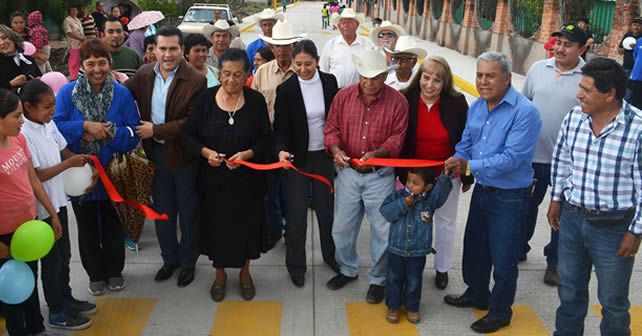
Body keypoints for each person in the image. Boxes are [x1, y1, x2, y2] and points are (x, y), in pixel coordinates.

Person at [443, 52, 541, 333]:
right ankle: (477, 293)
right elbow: (466, 142)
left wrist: (468, 165)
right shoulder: (477, 107)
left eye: (490, 75)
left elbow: (511, 158)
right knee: (475, 248)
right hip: (483, 191)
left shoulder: (525, 112)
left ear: (508, 78)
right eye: (479, 75)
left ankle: (500, 312)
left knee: (504, 258)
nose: (483, 81)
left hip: (510, 197)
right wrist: (456, 160)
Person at [547, 58, 641, 336]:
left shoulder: (637, 129)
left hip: (614, 227)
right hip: (573, 219)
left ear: (609, 93)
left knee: (613, 302)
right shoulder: (575, 117)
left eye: (586, 90)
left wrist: (635, 232)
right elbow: (562, 158)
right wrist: (556, 198)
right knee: (570, 292)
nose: (579, 95)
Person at [182, 48, 272, 302]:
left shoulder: (255, 101)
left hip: (247, 181)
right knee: (216, 228)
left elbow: (266, 138)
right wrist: (206, 152)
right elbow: (188, 137)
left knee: (246, 226)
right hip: (213, 181)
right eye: (226, 74)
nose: (231, 80)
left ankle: (244, 273)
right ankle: (220, 274)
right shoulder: (206, 99)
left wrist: (248, 154)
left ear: (247, 76)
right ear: (219, 73)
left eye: (237, 75)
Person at [54, 38, 140, 296]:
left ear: (110, 63)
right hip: (82, 174)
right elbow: (56, 128)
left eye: (102, 63)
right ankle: (96, 275)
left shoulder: (122, 93)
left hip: (113, 171)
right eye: (91, 64)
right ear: (82, 65)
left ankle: (115, 271)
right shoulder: (67, 94)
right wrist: (83, 127)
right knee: (88, 227)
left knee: (114, 225)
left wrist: (106, 131)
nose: (97, 69)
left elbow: (133, 134)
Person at [324, 49, 408, 304]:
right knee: (342, 227)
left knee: (382, 231)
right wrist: (336, 150)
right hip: (347, 172)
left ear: (385, 76)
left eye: (375, 77)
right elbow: (331, 129)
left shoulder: (398, 102)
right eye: (364, 77)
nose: (368, 82)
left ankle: (378, 279)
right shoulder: (343, 97)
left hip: (380, 174)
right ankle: (348, 268)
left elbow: (397, 138)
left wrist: (379, 153)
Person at [125, 26, 207, 288]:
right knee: (162, 212)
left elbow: (191, 122)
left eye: (173, 48)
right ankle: (169, 259)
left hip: (184, 157)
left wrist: (155, 130)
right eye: (162, 48)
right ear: (154, 50)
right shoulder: (143, 74)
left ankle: (187, 263)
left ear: (182, 50)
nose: (168, 54)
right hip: (156, 154)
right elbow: (122, 97)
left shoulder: (195, 79)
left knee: (188, 212)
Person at [20, 80, 96, 331]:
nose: (53, 110)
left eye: (53, 105)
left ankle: (66, 298)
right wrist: (69, 166)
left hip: (59, 202)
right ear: (28, 108)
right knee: (52, 262)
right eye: (47, 106)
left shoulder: (48, 124)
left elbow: (65, 151)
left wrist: (84, 164)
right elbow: (38, 176)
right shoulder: (24, 134)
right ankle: (57, 311)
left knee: (64, 256)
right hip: (42, 210)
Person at [521, 24, 587, 287]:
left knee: (561, 215)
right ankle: (519, 246)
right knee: (526, 207)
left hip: (570, 164)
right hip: (533, 157)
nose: (560, 48)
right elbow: (523, 106)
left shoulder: (588, 76)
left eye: (568, 44)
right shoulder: (538, 69)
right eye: (558, 42)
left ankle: (555, 262)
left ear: (582, 49)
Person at [399, 56, 470, 290]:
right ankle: (410, 267)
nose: (429, 85)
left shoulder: (456, 103)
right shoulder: (405, 99)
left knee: (445, 223)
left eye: (436, 80)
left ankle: (442, 268)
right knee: (412, 222)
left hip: (446, 176)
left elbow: (467, 140)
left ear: (445, 83)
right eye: (425, 78)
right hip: (413, 176)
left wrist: (467, 172)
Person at [273, 39, 339, 287]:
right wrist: (280, 151)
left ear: (318, 61)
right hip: (297, 159)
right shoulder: (287, 89)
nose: (302, 69)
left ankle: (330, 256)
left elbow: (336, 119)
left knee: (326, 211)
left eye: (308, 64)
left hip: (323, 156)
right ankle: (296, 265)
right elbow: (280, 129)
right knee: (297, 214)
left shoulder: (330, 83)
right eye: (298, 64)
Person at [0, 88, 62, 336]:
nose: (22, 121)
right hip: (5, 237)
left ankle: (37, 327)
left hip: (28, 227)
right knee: (12, 292)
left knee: (29, 282)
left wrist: (52, 213)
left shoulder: (18, 139)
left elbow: (33, 180)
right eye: (16, 116)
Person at [252, 20, 302, 251]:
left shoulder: (301, 71)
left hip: (294, 140)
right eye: (277, 46)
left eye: (287, 45)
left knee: (291, 192)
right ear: (271, 48)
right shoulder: (262, 72)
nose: (282, 50)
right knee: (269, 191)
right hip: (267, 139)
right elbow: (253, 105)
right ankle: (273, 231)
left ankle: (291, 232)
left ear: (293, 46)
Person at [380, 167, 453, 324]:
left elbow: (441, 194)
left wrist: (445, 176)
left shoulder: (430, 202)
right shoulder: (398, 196)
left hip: (417, 252)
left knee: (414, 281)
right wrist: (403, 204)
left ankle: (412, 307)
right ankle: (393, 306)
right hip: (396, 249)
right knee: (394, 279)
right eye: (408, 181)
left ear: (427, 187)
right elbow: (386, 212)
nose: (410, 185)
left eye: (416, 183)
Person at [320, 8, 375, 88]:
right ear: (339, 26)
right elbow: (323, 70)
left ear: (357, 25)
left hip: (360, 93)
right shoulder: (331, 45)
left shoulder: (367, 45)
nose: (345, 25)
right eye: (343, 22)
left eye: (349, 22)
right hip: (335, 92)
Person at [0, 25, 42, 92]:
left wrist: (37, 81)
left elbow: (39, 76)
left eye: (4, 38)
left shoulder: (28, 59)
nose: (1, 43)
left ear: (13, 37)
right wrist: (11, 84)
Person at [63, 5, 85, 80]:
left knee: (79, 61)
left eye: (75, 10)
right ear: (69, 12)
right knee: (73, 61)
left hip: (80, 44)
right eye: (72, 10)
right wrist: (79, 38)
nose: (74, 12)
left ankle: (77, 77)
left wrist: (83, 38)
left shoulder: (78, 20)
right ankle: (73, 78)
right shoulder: (67, 20)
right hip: (73, 44)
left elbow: (81, 31)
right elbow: (69, 32)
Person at [619, 17, 642, 82]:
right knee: (624, 86)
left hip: (638, 69)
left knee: (633, 89)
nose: (636, 27)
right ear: (632, 26)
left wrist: (637, 47)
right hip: (626, 66)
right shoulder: (627, 35)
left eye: (639, 25)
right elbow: (619, 51)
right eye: (634, 25)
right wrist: (627, 46)